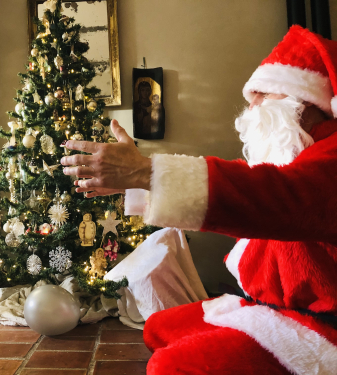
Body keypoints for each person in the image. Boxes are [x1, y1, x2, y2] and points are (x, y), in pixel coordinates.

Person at [61, 25, 337, 374]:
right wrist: (137, 181)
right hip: (278, 308)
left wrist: (145, 171)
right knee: (159, 327)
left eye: (264, 95)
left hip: (321, 328)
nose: (251, 107)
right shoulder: (303, 155)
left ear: (304, 101)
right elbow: (248, 193)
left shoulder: (329, 158)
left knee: (171, 365)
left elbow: (267, 195)